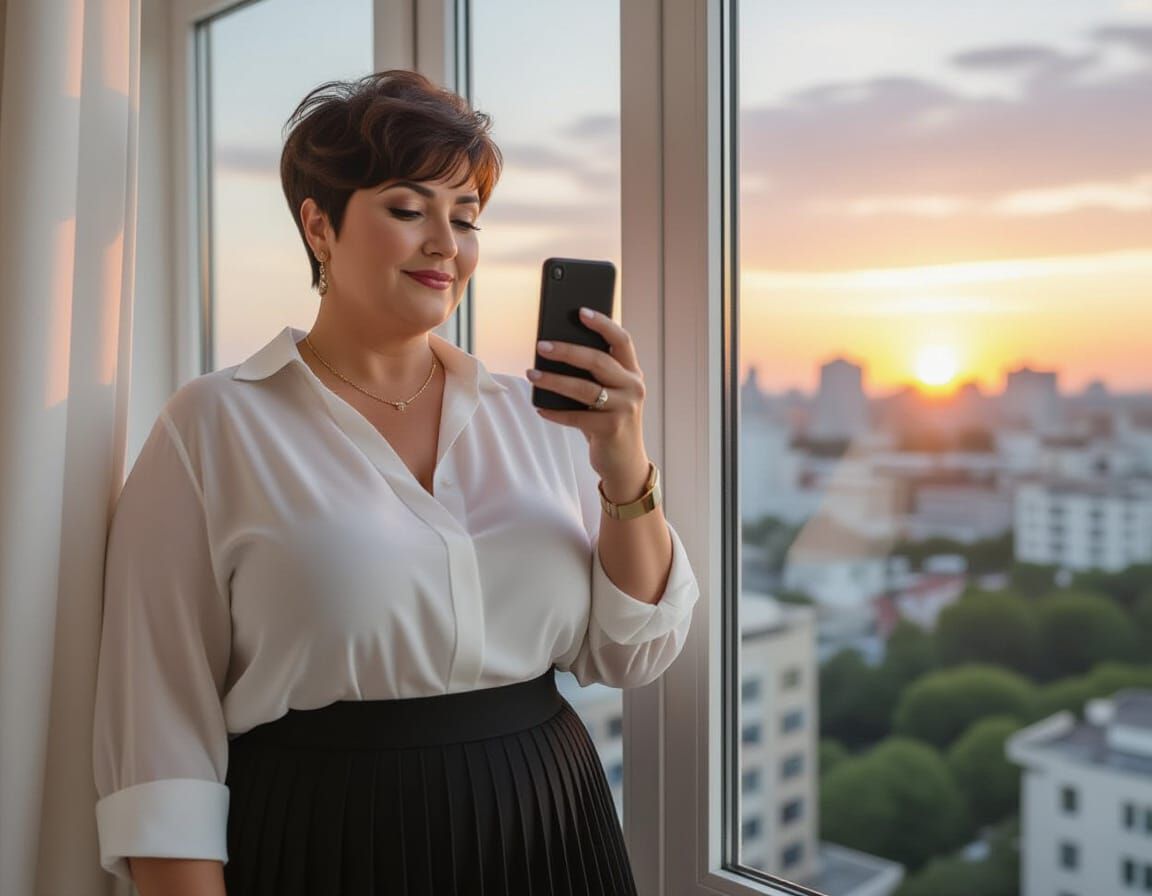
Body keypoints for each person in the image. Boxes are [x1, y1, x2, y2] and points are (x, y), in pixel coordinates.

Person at [92, 69, 700, 896]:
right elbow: (158, 735)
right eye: (409, 210)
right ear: (320, 227)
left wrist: (623, 457)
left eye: (467, 217)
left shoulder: (535, 417)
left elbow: (632, 650)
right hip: (324, 839)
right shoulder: (213, 426)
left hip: (553, 830)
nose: (446, 244)